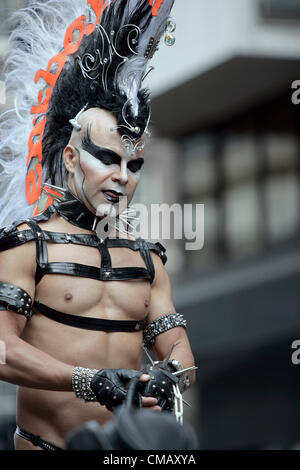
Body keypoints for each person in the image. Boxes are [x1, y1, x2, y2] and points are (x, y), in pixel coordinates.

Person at [0, 0, 196, 451]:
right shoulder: (28, 248)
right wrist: (88, 381)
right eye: (106, 158)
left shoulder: (148, 260)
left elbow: (181, 351)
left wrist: (171, 377)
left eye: (134, 163)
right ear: (71, 158)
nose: (122, 176)